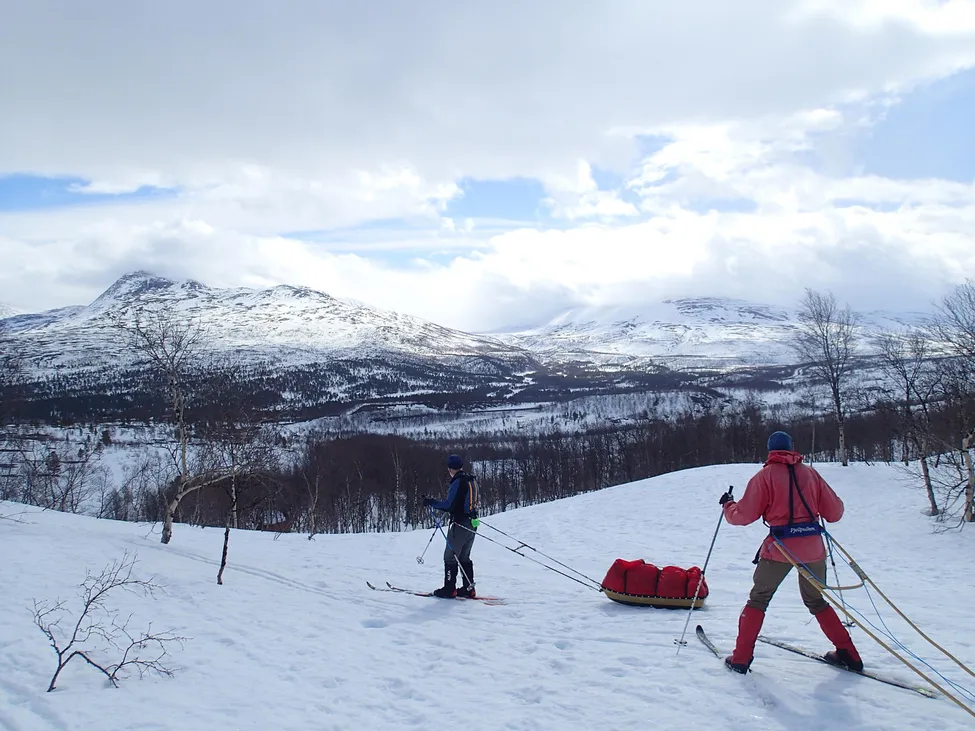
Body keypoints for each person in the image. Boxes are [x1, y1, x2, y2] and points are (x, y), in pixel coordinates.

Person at [720, 431, 863, 674]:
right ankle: (849, 654)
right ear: (791, 449)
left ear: (770, 451)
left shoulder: (764, 476)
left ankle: (741, 659)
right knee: (816, 601)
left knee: (758, 599)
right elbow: (835, 513)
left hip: (780, 548)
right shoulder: (811, 474)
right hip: (813, 546)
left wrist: (728, 506)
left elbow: (743, 516)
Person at [423, 454, 479, 598]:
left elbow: (449, 505)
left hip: (460, 524)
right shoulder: (471, 480)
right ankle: (469, 589)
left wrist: (431, 502)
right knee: (464, 557)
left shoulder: (458, 482)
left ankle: (449, 589)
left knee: (450, 557)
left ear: (449, 469)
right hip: (473, 523)